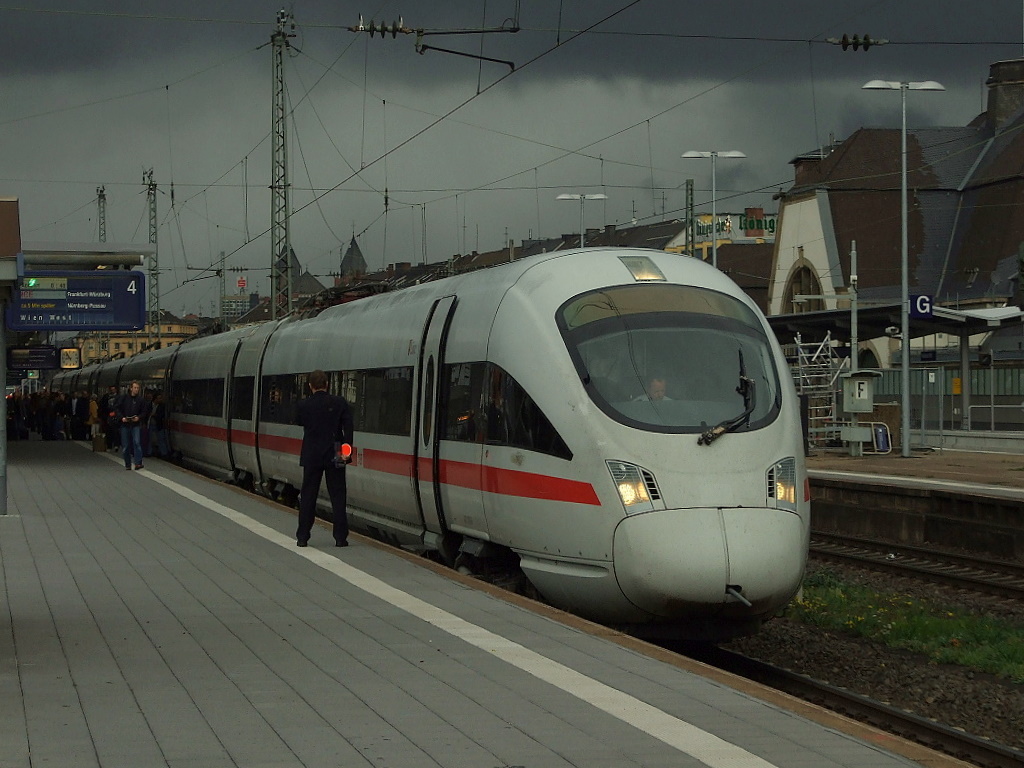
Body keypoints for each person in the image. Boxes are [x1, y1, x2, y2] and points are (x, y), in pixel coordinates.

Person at [295, 369, 353, 548]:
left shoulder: (304, 405)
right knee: (338, 495)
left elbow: (299, 421)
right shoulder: (340, 402)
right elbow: (348, 430)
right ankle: (340, 538)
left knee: (308, 495)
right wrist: (346, 453)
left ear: (310, 386)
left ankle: (303, 537)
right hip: (336, 451)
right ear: (327, 384)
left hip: (311, 452)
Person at [116, 380, 149, 470]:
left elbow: (144, 411)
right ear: (131, 388)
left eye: (138, 388)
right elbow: (117, 408)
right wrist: (122, 418)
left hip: (135, 424)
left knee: (137, 443)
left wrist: (139, 417)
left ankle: (138, 463)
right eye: (135, 388)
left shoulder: (140, 400)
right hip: (125, 424)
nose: (136, 389)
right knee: (125, 446)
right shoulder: (124, 398)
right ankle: (128, 464)